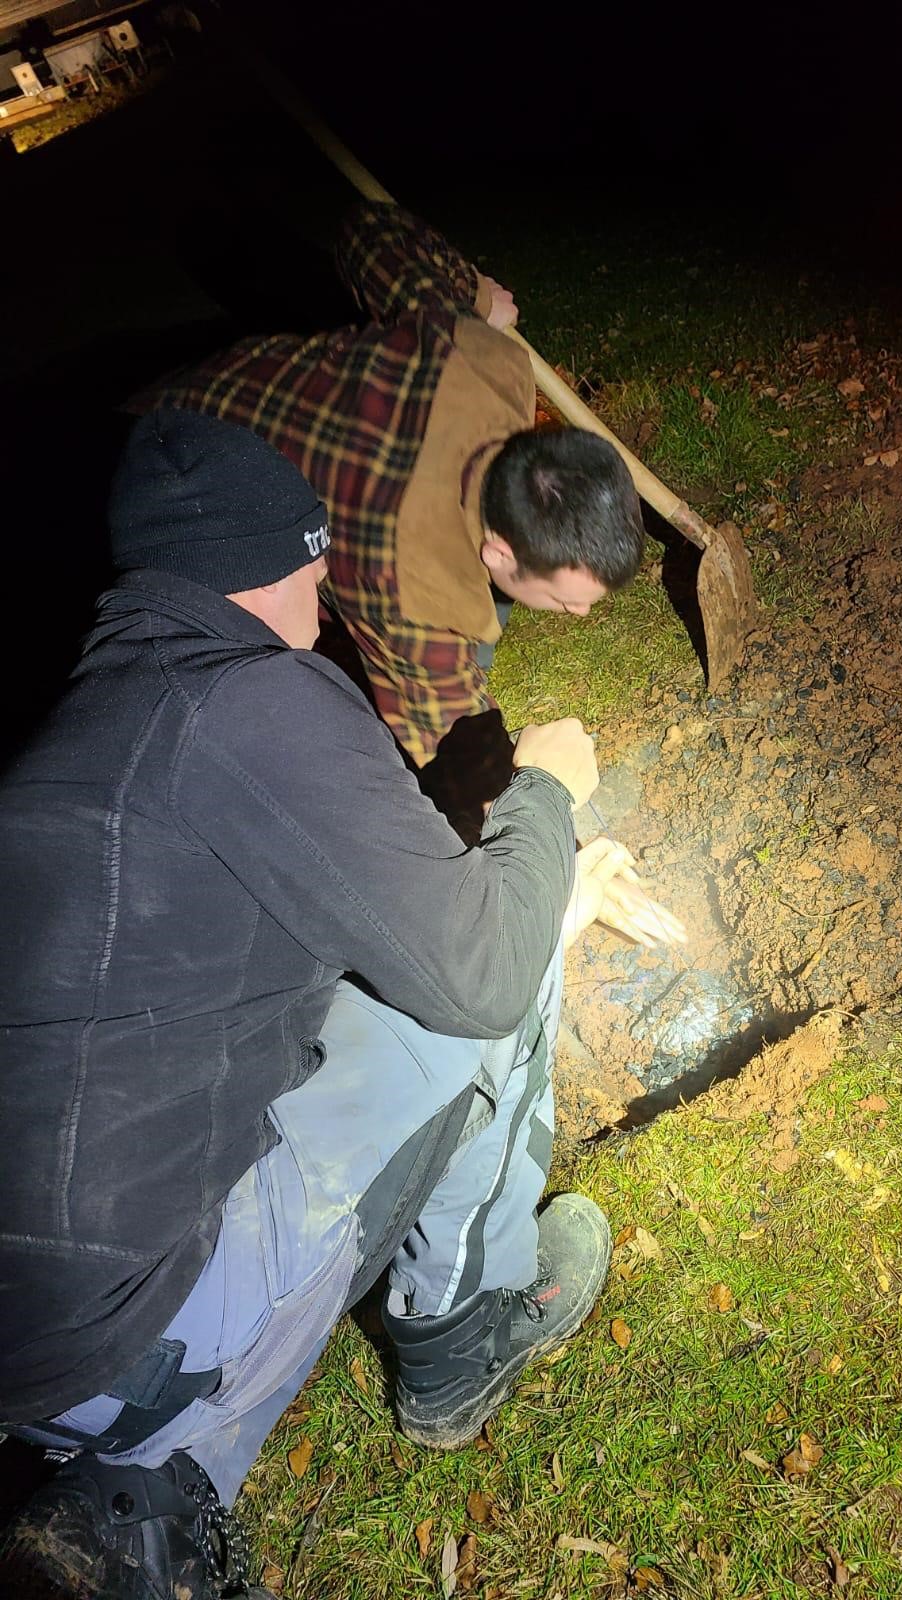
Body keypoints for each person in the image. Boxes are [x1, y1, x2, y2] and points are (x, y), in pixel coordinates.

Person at [0, 411, 682, 1600]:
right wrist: (549, 804)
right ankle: (458, 1338)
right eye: (313, 550)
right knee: (497, 990)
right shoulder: (258, 701)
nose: (332, 570)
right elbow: (477, 966)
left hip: (25, 1338)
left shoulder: (79, 725)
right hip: (126, 1335)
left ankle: (139, 1512)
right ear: (265, 565)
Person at [142, 202, 647, 826]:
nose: (582, 614)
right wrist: (546, 833)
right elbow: (452, 741)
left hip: (235, 383)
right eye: (569, 598)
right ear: (499, 552)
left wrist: (476, 294)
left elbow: (369, 232)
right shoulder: (410, 588)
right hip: (174, 463)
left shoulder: (479, 354)